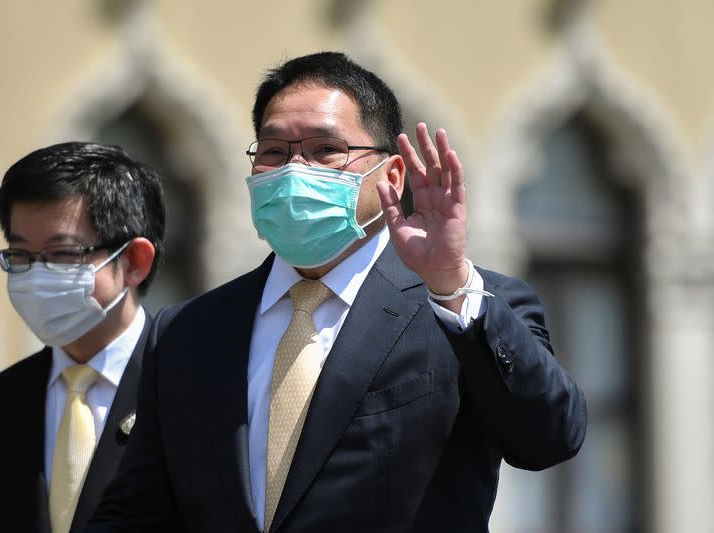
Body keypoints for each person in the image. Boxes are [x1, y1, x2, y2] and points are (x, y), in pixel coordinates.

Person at [89, 52, 587, 532]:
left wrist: (451, 283)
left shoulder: (463, 309)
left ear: (391, 176)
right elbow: (137, 512)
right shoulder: (188, 332)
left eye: (326, 150)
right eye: (274, 152)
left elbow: (548, 439)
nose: (294, 171)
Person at [0, 142, 166, 533]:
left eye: (62, 254)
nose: (37, 276)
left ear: (134, 262)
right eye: (21, 256)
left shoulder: (191, 390)